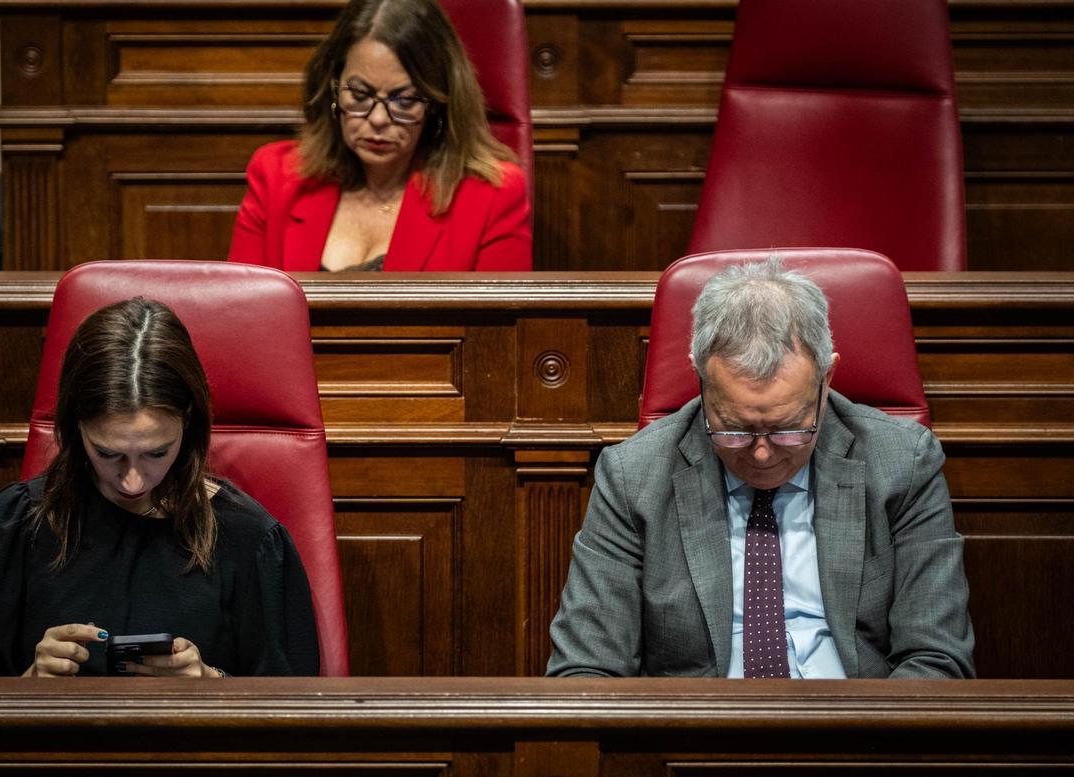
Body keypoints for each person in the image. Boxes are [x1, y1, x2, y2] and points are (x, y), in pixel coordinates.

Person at [547, 259, 975, 679]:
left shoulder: (902, 462)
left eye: (789, 428)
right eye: (734, 429)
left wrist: (864, 743)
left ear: (828, 378)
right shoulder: (633, 476)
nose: (763, 454)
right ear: (700, 380)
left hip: (858, 728)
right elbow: (586, 668)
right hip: (696, 735)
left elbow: (936, 658)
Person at [0, 298, 320, 677]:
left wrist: (212, 686)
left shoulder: (250, 539)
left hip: (197, 737)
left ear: (189, 422)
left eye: (157, 452)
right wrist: (30, 684)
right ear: (74, 427)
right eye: (107, 453)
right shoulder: (17, 525)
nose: (133, 480)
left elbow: (291, 718)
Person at [227, 0, 531, 271]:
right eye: (360, 94)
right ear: (333, 88)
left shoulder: (492, 197)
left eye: (405, 100)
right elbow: (244, 313)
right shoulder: (276, 176)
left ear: (438, 103)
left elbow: (497, 334)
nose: (378, 119)